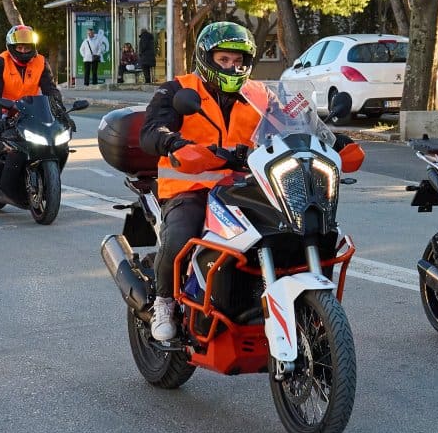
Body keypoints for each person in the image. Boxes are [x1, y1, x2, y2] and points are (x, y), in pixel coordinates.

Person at [140, 21, 363, 341]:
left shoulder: (261, 94)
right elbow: (152, 131)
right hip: (191, 187)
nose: (232, 67)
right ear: (206, 58)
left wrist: (335, 141)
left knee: (299, 227)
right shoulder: (178, 90)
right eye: (224, 59)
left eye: (238, 60)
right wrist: (174, 144)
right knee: (181, 235)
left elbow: (295, 124)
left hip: (247, 185)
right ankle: (164, 302)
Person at [0, 25, 64, 176]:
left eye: (27, 48)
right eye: (20, 47)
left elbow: (50, 89)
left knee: (50, 133)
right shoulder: (0, 62)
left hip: (27, 109)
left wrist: (59, 109)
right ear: (12, 47)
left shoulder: (41, 62)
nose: (23, 51)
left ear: (33, 47)